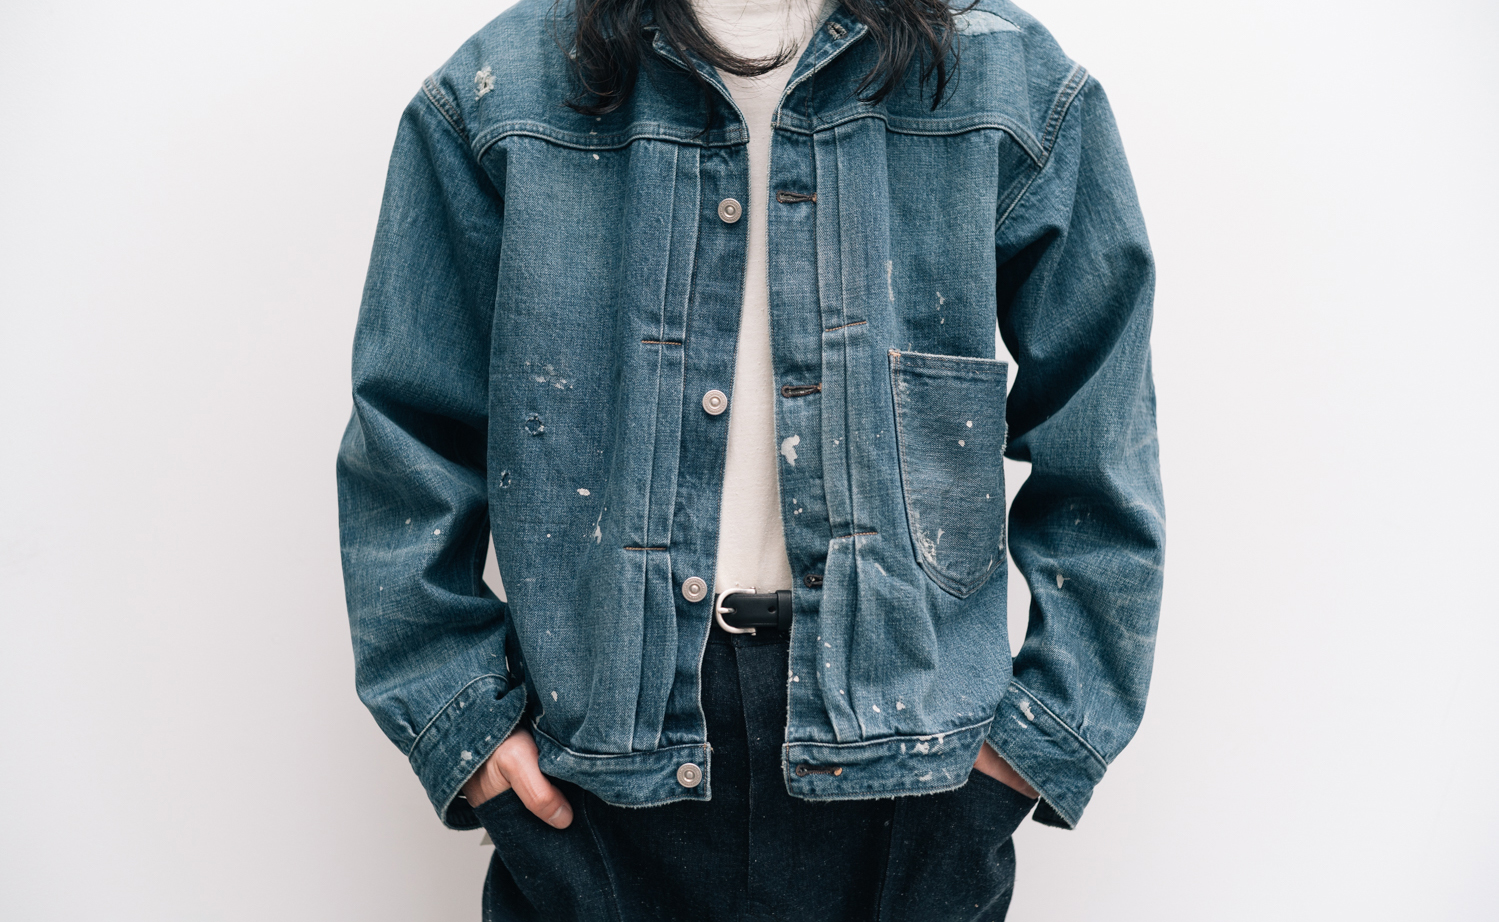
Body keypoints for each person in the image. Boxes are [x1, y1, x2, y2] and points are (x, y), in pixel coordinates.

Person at [336, 0, 1164, 916]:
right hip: (597, 768)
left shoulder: (1007, 81)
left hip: (915, 764)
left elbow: (1101, 447)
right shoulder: (502, 92)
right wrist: (467, 729)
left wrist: (1034, 745)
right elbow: (404, 445)